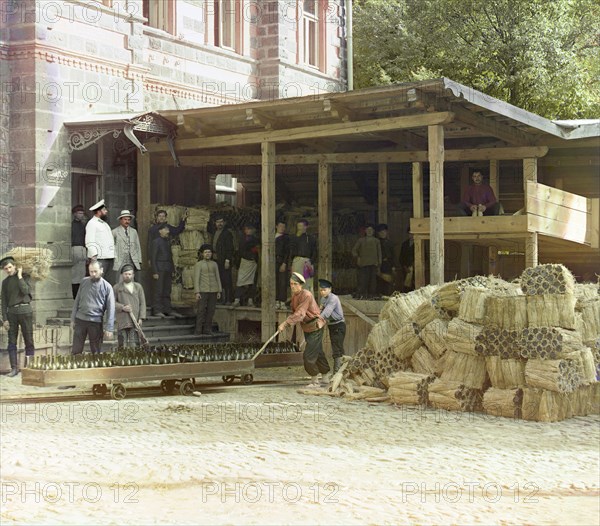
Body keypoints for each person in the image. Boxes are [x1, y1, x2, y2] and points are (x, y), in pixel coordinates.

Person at [278, 272, 330, 388]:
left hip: (315, 326)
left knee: (309, 355)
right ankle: (325, 376)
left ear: (301, 285)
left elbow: (300, 313)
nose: (292, 286)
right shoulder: (295, 296)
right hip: (307, 327)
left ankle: (314, 380)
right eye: (291, 284)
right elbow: (296, 312)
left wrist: (286, 323)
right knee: (318, 351)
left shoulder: (306, 295)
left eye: (295, 284)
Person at [71, 260, 115, 355]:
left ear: (101, 270)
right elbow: (77, 301)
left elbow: (111, 309)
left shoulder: (107, 287)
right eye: (91, 272)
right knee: (76, 349)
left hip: (96, 322)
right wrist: (73, 319)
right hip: (80, 320)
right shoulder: (83, 282)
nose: (93, 274)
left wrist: (109, 328)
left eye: (95, 271)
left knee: (95, 351)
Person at [1, 257, 34, 376]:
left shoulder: (25, 276)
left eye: (10, 267)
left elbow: (25, 291)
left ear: (15, 266)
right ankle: (14, 369)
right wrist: (4, 319)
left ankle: (30, 368)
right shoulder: (5, 282)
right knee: (11, 342)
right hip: (12, 314)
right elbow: (4, 301)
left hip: (26, 311)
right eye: (6, 269)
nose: (8, 270)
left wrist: (19, 275)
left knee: (29, 340)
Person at [150, 225, 183, 318]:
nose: (168, 231)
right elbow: (153, 258)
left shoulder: (167, 242)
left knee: (167, 290)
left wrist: (172, 269)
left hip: (167, 268)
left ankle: (167, 309)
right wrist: (155, 271)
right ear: (160, 231)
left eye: (168, 229)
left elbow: (170, 257)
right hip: (159, 269)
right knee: (158, 290)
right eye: (166, 229)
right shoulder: (156, 242)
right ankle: (157, 310)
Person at [113, 264, 146, 348]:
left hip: (134, 319)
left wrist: (141, 318)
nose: (127, 276)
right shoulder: (117, 287)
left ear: (133, 275)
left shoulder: (138, 287)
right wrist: (122, 307)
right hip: (122, 320)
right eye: (125, 274)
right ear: (122, 275)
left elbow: (142, 303)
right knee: (122, 344)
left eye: (129, 274)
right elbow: (112, 303)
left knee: (134, 344)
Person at [318, 279, 346, 374]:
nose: (322, 292)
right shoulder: (323, 299)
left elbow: (327, 312)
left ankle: (337, 373)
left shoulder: (333, 298)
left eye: (324, 290)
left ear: (330, 289)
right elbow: (320, 310)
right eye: (321, 290)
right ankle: (340, 372)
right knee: (335, 347)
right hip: (331, 325)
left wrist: (319, 319)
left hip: (339, 325)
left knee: (337, 349)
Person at [193, 244, 222, 335]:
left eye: (209, 252)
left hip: (213, 290)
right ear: (202, 254)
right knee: (201, 310)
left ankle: (207, 329)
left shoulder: (214, 264)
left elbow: (218, 277)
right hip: (203, 290)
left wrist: (219, 290)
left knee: (211, 310)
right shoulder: (199, 264)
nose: (208, 254)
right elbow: (196, 278)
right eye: (205, 252)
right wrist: (197, 292)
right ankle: (198, 330)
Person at [85, 199, 115, 278]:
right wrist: (94, 257)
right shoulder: (92, 223)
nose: (106, 211)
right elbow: (89, 241)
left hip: (109, 256)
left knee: (106, 282)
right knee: (97, 281)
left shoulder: (104, 224)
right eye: (104, 210)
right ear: (99, 212)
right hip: (100, 258)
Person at [352, 224, 382, 299]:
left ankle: (371, 295)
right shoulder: (361, 240)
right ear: (365, 231)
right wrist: (358, 258)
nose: (369, 232)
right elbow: (354, 250)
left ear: (373, 231)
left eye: (371, 230)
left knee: (373, 282)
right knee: (363, 281)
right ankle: (361, 295)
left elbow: (379, 253)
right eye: (368, 230)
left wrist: (379, 263)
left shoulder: (376, 241)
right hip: (364, 264)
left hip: (373, 264)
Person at [233, 223, 259, 307]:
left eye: (250, 229)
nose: (248, 231)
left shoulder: (256, 240)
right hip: (243, 262)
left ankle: (250, 300)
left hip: (252, 262)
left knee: (252, 282)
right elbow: (240, 251)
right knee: (240, 281)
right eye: (247, 229)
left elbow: (256, 251)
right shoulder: (241, 239)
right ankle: (237, 300)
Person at [112, 210, 142, 283]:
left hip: (132, 259)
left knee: (132, 280)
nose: (127, 221)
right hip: (119, 260)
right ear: (120, 220)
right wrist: (114, 259)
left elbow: (137, 246)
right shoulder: (114, 232)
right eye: (125, 219)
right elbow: (111, 247)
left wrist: (139, 259)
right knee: (119, 280)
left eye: (128, 220)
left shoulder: (133, 231)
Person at [211, 215, 235, 304]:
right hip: (216, 259)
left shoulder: (227, 233)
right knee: (218, 279)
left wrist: (227, 260)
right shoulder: (214, 232)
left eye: (221, 222)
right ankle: (220, 299)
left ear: (224, 223)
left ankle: (228, 299)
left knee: (227, 279)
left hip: (224, 260)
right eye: (218, 222)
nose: (219, 224)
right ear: (215, 223)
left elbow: (230, 248)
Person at [289, 219, 317, 292]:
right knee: (296, 282)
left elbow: (315, 251)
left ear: (306, 227)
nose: (299, 228)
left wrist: (311, 262)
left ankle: (308, 302)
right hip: (297, 260)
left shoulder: (311, 238)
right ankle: (297, 302)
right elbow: (291, 251)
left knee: (308, 283)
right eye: (298, 226)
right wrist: (292, 263)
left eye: (301, 226)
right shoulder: (294, 238)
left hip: (307, 261)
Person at [71, 204, 88, 299]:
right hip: (74, 249)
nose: (81, 215)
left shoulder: (83, 225)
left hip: (82, 249)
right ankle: (74, 294)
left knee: (81, 273)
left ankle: (80, 295)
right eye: (79, 213)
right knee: (74, 274)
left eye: (82, 213)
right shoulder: (71, 225)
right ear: (75, 214)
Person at [376, 223, 395, 296]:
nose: (383, 234)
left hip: (388, 264)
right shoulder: (377, 242)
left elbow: (393, 255)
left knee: (389, 282)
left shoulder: (390, 243)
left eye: (384, 232)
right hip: (379, 264)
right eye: (381, 232)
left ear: (387, 232)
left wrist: (393, 266)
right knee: (379, 282)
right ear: (378, 233)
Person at [275, 219, 290, 309]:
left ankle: (282, 301)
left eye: (284, 227)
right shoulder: (272, 236)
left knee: (282, 282)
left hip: (281, 261)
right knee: (275, 281)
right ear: (276, 226)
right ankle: (276, 301)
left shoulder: (286, 238)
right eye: (280, 226)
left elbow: (287, 252)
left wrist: (284, 263)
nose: (282, 228)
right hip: (273, 261)